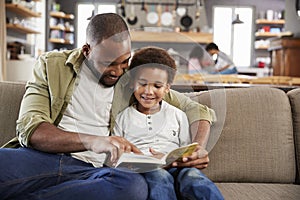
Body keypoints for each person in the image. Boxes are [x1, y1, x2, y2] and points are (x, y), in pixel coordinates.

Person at [0, 13, 215, 199]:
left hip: (95, 171)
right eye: (108, 63)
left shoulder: (133, 79)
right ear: (87, 51)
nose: (118, 71)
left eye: (124, 62)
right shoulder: (52, 65)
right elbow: (31, 128)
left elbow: (197, 109)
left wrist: (197, 148)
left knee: (134, 188)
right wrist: (94, 141)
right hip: (40, 159)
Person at [113, 46, 223, 200]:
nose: (149, 92)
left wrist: (174, 159)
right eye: (142, 84)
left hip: (176, 166)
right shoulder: (123, 118)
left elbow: (185, 148)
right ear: (132, 83)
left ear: (167, 89)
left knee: (194, 178)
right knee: (159, 177)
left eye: (157, 86)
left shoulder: (177, 115)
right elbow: (117, 156)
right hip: (146, 169)